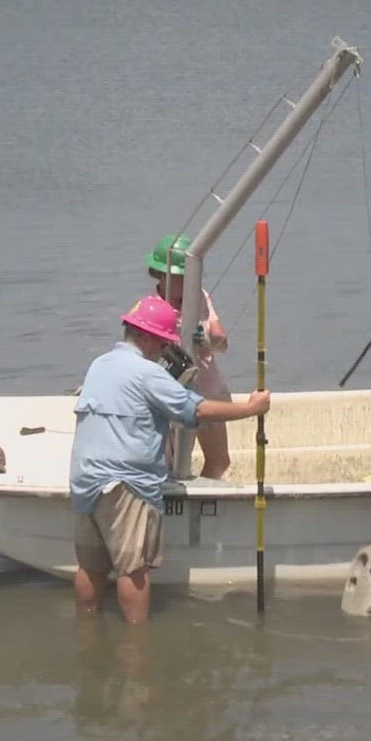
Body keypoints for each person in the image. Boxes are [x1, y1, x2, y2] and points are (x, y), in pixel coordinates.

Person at [70, 294, 270, 624]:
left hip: (85, 478)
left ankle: (88, 631)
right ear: (146, 337)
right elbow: (197, 409)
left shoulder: (100, 365)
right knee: (133, 570)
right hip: (126, 484)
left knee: (90, 567)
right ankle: (138, 646)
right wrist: (251, 409)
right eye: (162, 344)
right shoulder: (148, 375)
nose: (164, 352)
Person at [146, 233, 234, 479]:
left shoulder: (200, 296)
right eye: (177, 279)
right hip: (172, 396)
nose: (184, 285)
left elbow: (223, 342)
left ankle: (206, 505)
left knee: (220, 462)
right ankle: (178, 508)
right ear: (161, 276)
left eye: (188, 277)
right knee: (171, 467)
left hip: (208, 390)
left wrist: (208, 342)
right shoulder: (150, 309)